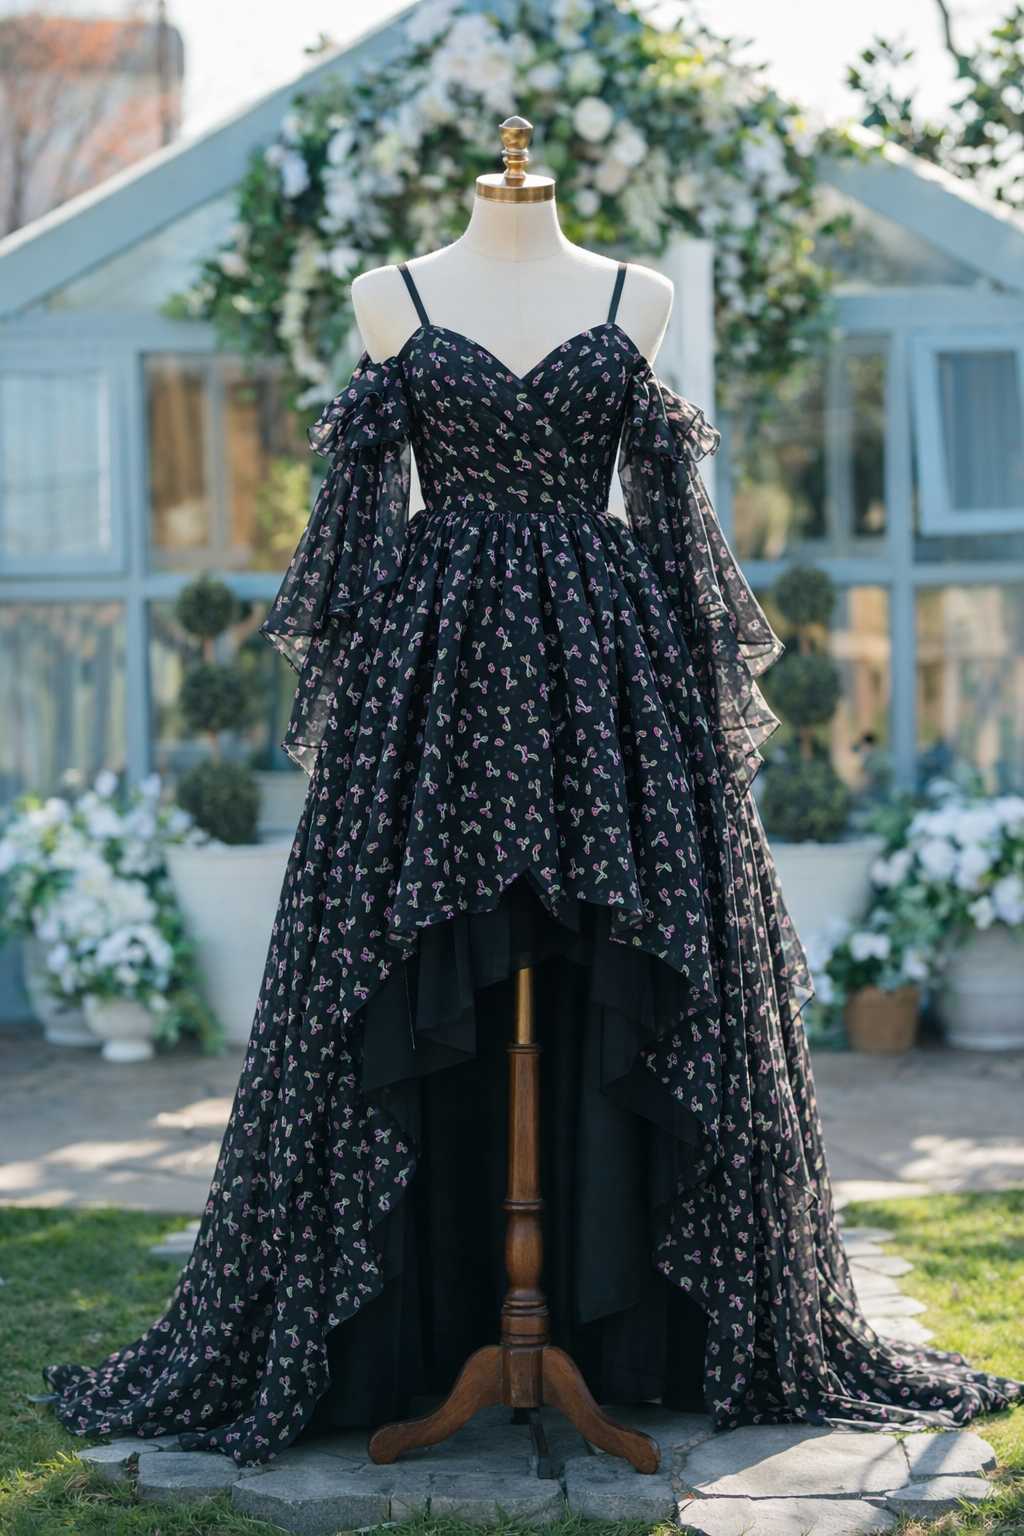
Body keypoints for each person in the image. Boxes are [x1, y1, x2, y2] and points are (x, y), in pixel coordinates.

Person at [44, 123, 1019, 1467]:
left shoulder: (643, 297)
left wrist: (692, 729)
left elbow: (678, 532)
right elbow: (351, 535)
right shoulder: (395, 296)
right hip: (439, 689)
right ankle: (418, 1324)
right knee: (418, 969)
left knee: (608, 969)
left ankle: (626, 1331)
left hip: (603, 688)